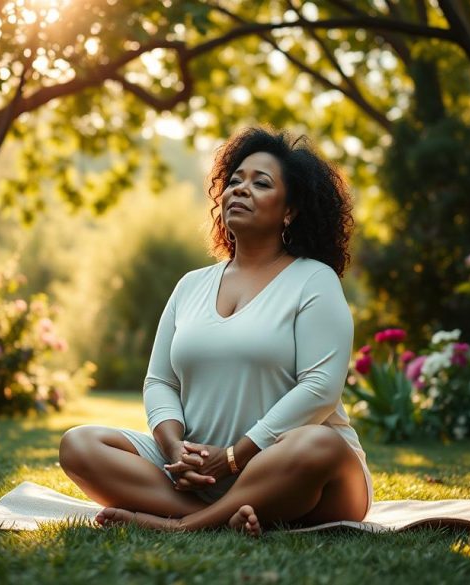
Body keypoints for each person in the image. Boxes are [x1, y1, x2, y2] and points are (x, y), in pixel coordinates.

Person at [58, 126, 372, 536]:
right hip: (198, 474)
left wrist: (233, 457)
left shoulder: (313, 280)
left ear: (290, 210)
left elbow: (320, 388)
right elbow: (159, 381)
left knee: (319, 443)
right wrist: (174, 451)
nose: (240, 189)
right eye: (235, 181)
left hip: (299, 472)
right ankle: (219, 513)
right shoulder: (191, 285)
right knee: (79, 444)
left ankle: (187, 524)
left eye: (260, 183)